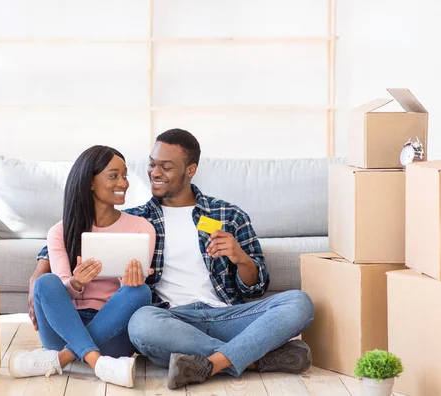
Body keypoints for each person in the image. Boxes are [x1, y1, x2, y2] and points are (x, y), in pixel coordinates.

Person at [34, 130, 314, 390]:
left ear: (190, 170)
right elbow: (75, 236)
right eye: (151, 164)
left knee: (299, 302)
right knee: (141, 323)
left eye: (165, 167)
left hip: (227, 315)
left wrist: (240, 258)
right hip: (168, 319)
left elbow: (256, 286)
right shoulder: (138, 218)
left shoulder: (228, 215)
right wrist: (40, 274)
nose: (154, 173)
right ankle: (253, 356)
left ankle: (213, 363)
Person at [8, 145, 156, 388]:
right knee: (46, 282)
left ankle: (61, 359)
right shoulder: (60, 231)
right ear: (90, 182)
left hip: (112, 334)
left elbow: (129, 295)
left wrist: (127, 282)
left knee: (141, 291)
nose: (124, 183)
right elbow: (57, 289)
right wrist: (75, 283)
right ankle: (99, 364)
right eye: (114, 175)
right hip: (63, 327)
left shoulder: (141, 228)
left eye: (125, 175)